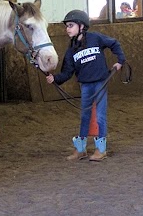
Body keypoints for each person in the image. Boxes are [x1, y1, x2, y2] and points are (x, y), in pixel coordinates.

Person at [45, 10, 126, 161]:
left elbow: (114, 43)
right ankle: (81, 149)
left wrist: (120, 60)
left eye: (70, 25)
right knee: (84, 116)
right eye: (67, 26)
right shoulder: (70, 52)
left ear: (81, 26)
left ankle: (101, 149)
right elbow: (67, 73)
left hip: (100, 83)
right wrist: (54, 78)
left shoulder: (95, 38)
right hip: (86, 86)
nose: (67, 29)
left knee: (100, 116)